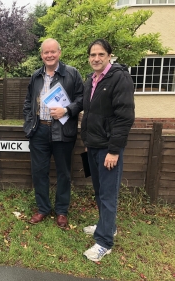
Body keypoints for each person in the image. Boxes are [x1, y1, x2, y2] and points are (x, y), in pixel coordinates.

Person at [81, 39, 135, 262]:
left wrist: (114, 150)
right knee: (99, 190)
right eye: (92, 55)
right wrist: (86, 140)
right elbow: (89, 114)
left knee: (108, 194)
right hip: (93, 145)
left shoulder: (119, 78)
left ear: (109, 56)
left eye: (100, 54)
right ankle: (106, 226)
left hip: (108, 149)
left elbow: (124, 118)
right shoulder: (91, 80)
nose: (96, 58)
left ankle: (104, 242)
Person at [23, 38, 84, 228]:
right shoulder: (36, 76)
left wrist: (66, 110)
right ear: (41, 55)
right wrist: (29, 124)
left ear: (59, 52)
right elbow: (28, 102)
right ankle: (42, 209)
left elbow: (82, 99)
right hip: (39, 130)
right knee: (39, 172)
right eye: (45, 52)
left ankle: (61, 211)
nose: (49, 55)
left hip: (63, 131)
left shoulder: (72, 74)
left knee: (64, 173)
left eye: (53, 52)